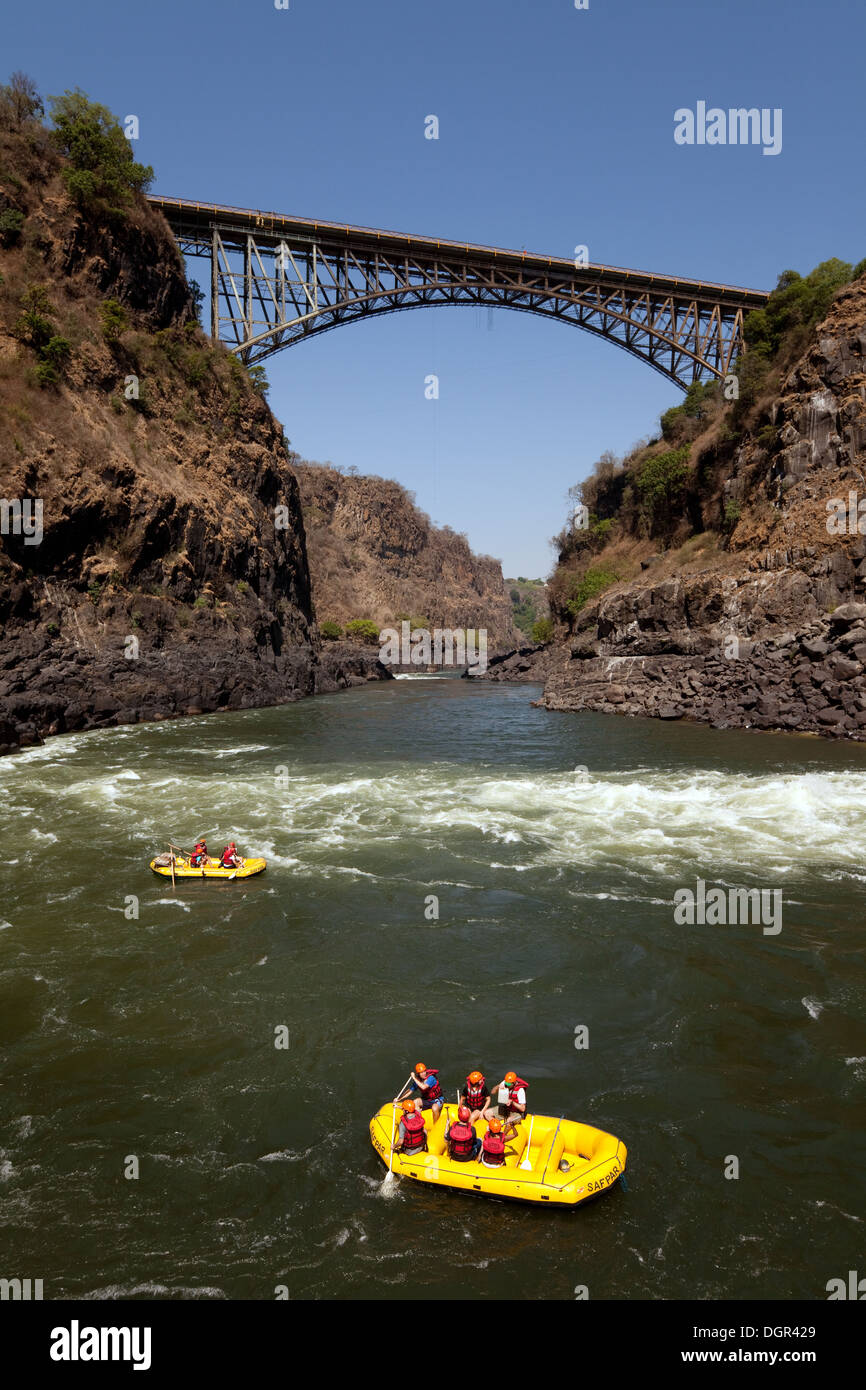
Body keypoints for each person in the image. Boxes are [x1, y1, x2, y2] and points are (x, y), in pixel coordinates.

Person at [486, 1070, 528, 1141]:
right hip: (506, 1109)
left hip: (516, 1112)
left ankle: (501, 1138)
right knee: (487, 1113)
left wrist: (512, 1102)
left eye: (509, 1084)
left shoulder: (520, 1091)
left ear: (514, 1083)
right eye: (506, 1083)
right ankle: (496, 1128)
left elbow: (523, 1109)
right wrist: (498, 1086)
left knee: (509, 1120)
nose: (507, 1085)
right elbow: (492, 1092)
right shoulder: (505, 1083)